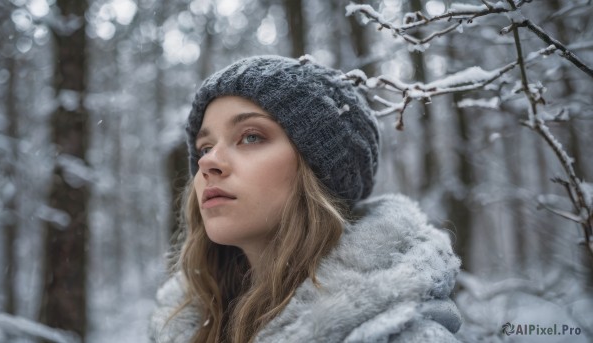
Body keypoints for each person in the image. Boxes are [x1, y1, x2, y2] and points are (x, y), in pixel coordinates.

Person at [148, 55, 462, 343]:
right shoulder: (183, 327)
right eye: (205, 147)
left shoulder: (407, 336)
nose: (207, 162)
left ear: (318, 170)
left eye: (251, 136)